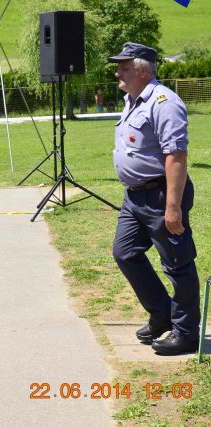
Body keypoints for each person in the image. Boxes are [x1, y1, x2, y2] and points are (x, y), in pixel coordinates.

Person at [109, 42, 200, 356]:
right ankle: (162, 313)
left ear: (142, 69)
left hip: (162, 195)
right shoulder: (132, 100)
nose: (117, 72)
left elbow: (176, 155)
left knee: (177, 263)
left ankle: (187, 332)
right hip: (134, 197)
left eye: (123, 66)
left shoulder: (163, 102)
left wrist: (172, 206)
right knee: (125, 252)